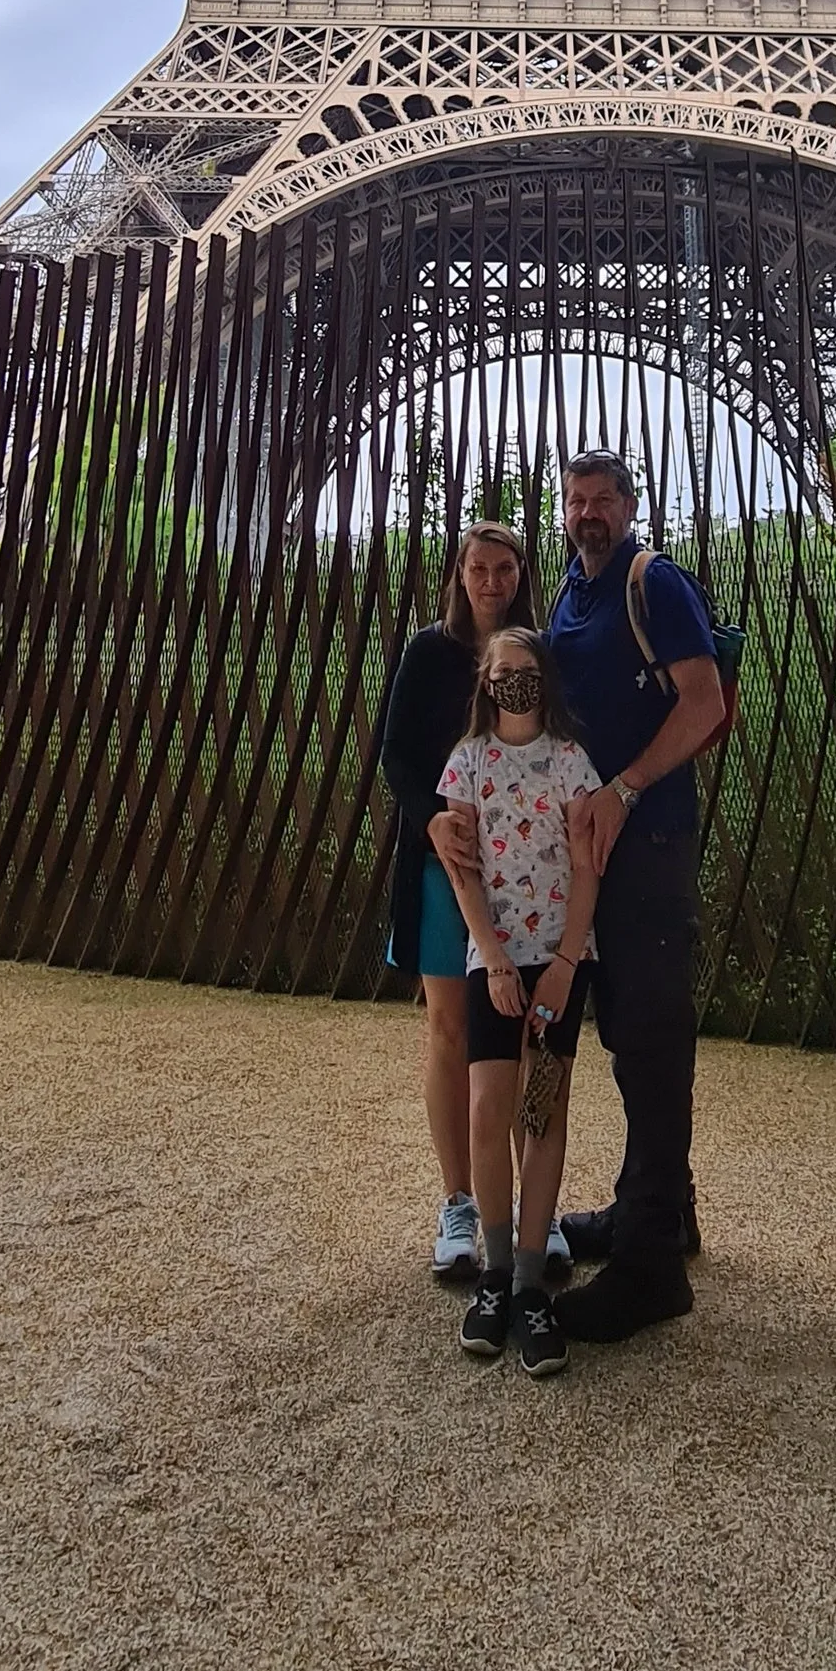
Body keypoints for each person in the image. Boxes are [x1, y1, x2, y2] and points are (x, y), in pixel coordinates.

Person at [443, 446, 722, 1346]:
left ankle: (650, 1266)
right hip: (593, 858)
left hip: (647, 844)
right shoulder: (572, 590)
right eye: (575, 500)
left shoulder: (652, 581)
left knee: (651, 1039)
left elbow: (706, 702)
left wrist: (625, 788)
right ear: (562, 512)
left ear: (630, 506)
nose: (588, 512)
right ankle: (660, 1209)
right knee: (629, 1037)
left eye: (603, 498)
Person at [430, 628, 605, 1378]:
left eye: (526, 670)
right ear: (485, 680)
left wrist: (564, 963)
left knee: (544, 1111)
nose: (515, 682)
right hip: (494, 959)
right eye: (503, 671)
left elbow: (587, 866)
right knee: (487, 1108)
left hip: (559, 960)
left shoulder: (571, 761)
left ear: (545, 678)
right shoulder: (467, 761)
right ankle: (496, 1271)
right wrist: (494, 959)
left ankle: (531, 1281)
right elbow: (463, 870)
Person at [377, 519, 543, 1286]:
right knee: (449, 1027)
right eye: (479, 568)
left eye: (504, 568)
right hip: (442, 864)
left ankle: (531, 1204)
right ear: (459, 573)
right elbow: (396, 754)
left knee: (523, 1034)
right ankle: (458, 1203)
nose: (491, 581)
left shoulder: (536, 654)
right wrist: (432, 819)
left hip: (521, 874)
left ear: (520, 574)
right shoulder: (427, 652)